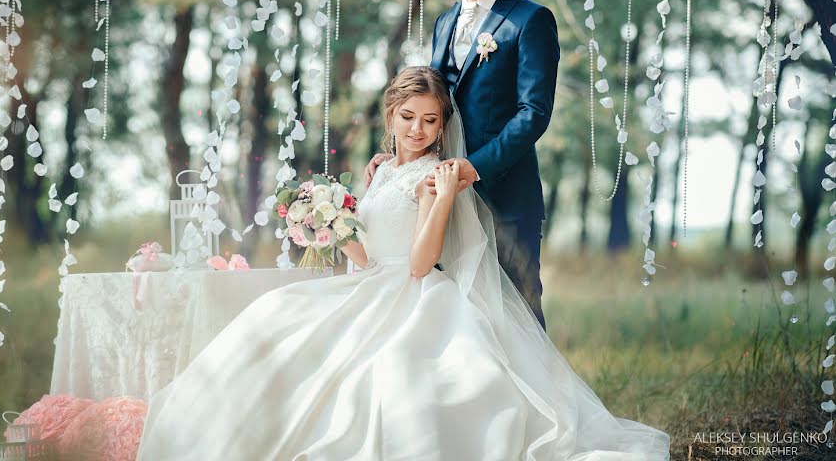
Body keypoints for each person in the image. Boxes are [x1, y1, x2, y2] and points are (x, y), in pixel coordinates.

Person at [136, 67, 669, 460]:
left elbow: (419, 264)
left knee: (388, 376)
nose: (417, 129)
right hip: (367, 280)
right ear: (390, 115)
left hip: (409, 291)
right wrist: (335, 224)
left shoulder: (436, 175)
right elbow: (367, 252)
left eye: (430, 121)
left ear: (443, 128)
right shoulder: (382, 168)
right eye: (408, 117)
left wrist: (439, 198)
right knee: (271, 324)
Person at [365, 0, 558, 331]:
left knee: (520, 310)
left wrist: (476, 166)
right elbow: (430, 105)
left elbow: (534, 113)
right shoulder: (445, 21)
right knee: (455, 309)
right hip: (440, 194)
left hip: (504, 192)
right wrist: (396, 161)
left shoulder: (530, 20)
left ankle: (539, 399)